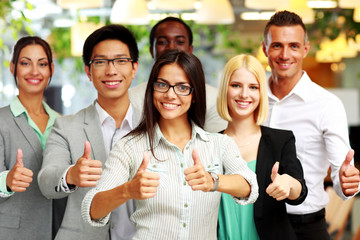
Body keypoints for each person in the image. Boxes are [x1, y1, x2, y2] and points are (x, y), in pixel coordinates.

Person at [81, 50, 259, 240]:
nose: (170, 95)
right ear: (152, 89)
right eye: (162, 85)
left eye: (182, 87)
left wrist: (212, 181)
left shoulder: (219, 144)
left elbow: (250, 186)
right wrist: (127, 190)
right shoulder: (129, 146)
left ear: (195, 94)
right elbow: (91, 209)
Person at [262, 10, 360, 239]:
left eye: (293, 46)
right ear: (265, 48)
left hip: (304, 227)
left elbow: (341, 175)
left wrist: (347, 183)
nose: (285, 54)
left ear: (305, 49)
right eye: (277, 45)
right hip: (254, 224)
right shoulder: (251, 100)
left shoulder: (327, 105)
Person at [38, 25, 141, 240]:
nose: (111, 71)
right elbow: (47, 181)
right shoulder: (66, 127)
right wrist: (71, 175)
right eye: (101, 62)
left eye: (121, 61)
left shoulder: (153, 125)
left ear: (134, 68)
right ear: (88, 71)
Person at [216, 54, 307, 239]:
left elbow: (299, 191)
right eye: (236, 85)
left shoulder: (280, 140)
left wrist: (288, 184)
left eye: (253, 87)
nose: (244, 94)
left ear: (261, 93)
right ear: (225, 89)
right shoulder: (208, 143)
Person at [0, 36, 60, 239]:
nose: (34, 71)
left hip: (58, 231)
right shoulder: (1, 121)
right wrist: (6, 180)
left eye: (42, 64)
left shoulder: (63, 123)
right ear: (12, 68)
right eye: (25, 63)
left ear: (51, 69)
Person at [129, 16, 227, 133]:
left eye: (179, 42)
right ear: (152, 50)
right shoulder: (132, 98)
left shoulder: (215, 99)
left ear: (190, 50)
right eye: (162, 42)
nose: (171, 47)